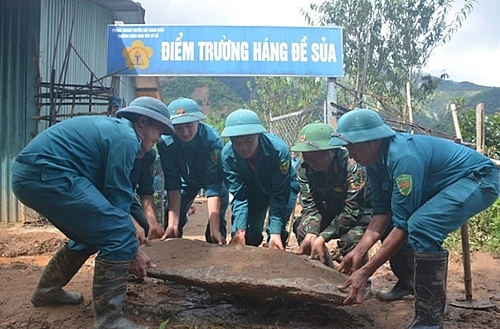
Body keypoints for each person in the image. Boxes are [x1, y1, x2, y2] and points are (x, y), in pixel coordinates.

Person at [11, 96, 174, 329]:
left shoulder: (118, 133)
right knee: (117, 230)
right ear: (142, 122)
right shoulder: (126, 138)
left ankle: (47, 290)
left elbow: (117, 194)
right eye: (160, 129)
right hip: (47, 173)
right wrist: (131, 250)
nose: (160, 137)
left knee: (92, 233)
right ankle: (109, 320)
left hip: (32, 175)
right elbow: (117, 196)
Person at [329, 108, 500, 328]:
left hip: (479, 178)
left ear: (374, 141)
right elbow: (382, 212)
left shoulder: (403, 159)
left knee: (422, 225)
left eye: (353, 147)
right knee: (406, 223)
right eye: (347, 148)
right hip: (447, 184)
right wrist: (358, 251)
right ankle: (410, 286)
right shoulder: (373, 163)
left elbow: (403, 227)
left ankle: (428, 322)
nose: (350, 154)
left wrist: (365, 271)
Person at [290, 122, 372, 270]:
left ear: (332, 151)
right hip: (332, 210)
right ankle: (324, 271)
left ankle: (357, 278)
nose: (310, 160)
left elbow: (351, 212)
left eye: (315, 154)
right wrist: (312, 234)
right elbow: (310, 206)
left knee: (350, 240)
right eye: (306, 155)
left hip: (360, 215)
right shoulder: (304, 168)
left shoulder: (352, 167)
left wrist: (322, 237)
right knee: (303, 227)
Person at [220, 108, 299, 250]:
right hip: (252, 193)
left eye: (248, 140)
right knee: (248, 236)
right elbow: (239, 196)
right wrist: (240, 229)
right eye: (236, 142)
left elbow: (279, 195)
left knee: (277, 234)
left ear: (259, 135)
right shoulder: (227, 156)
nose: (243, 147)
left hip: (283, 189)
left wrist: (275, 232)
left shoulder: (279, 151)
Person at [157, 97, 228, 245]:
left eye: (189, 125)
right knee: (171, 218)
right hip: (185, 182)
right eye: (178, 127)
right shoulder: (166, 142)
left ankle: (216, 245)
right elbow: (173, 182)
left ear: (198, 121)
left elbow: (213, 185)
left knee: (216, 224)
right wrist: (172, 223)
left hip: (212, 180)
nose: (185, 132)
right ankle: (175, 246)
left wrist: (214, 229)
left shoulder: (212, 141)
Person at [130, 148, 164, 241]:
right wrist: (133, 225)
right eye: (157, 133)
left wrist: (153, 223)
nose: (159, 138)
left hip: (128, 197)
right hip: (105, 196)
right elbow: (113, 195)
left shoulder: (149, 155)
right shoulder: (124, 149)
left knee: (145, 227)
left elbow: (145, 190)